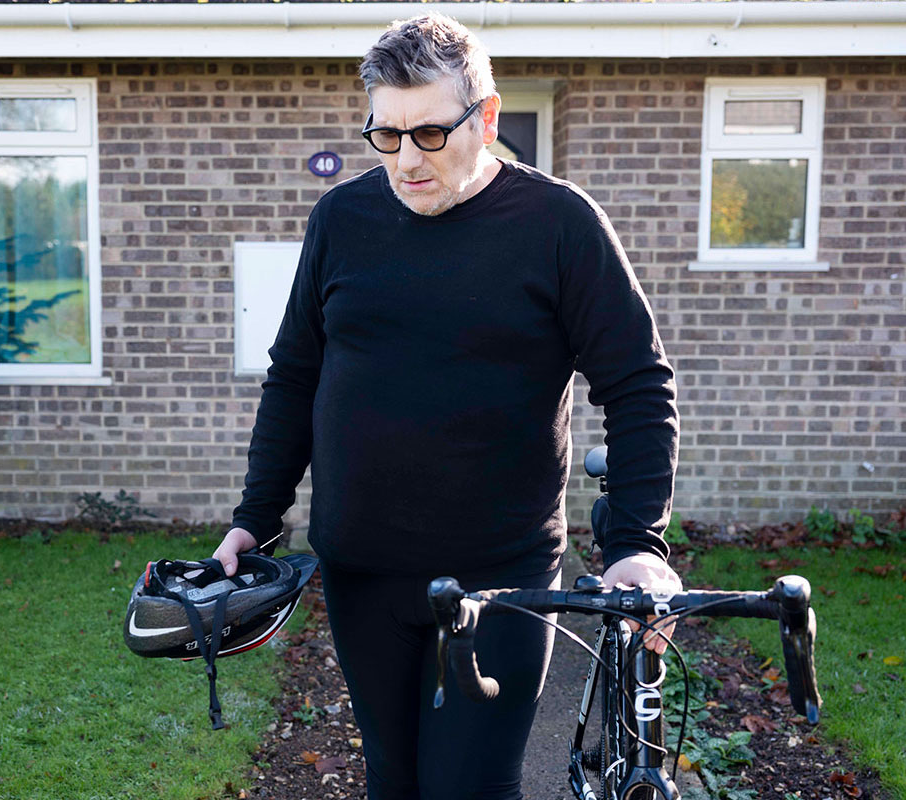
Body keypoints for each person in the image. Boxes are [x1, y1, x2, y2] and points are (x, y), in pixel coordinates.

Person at [214, 13, 681, 800]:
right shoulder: (341, 220)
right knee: (394, 781)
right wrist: (254, 518)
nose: (406, 160)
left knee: (469, 785)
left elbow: (638, 382)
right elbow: (294, 375)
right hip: (362, 568)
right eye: (386, 136)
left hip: (499, 578)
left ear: (487, 118)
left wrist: (638, 544)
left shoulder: (560, 226)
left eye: (429, 134)